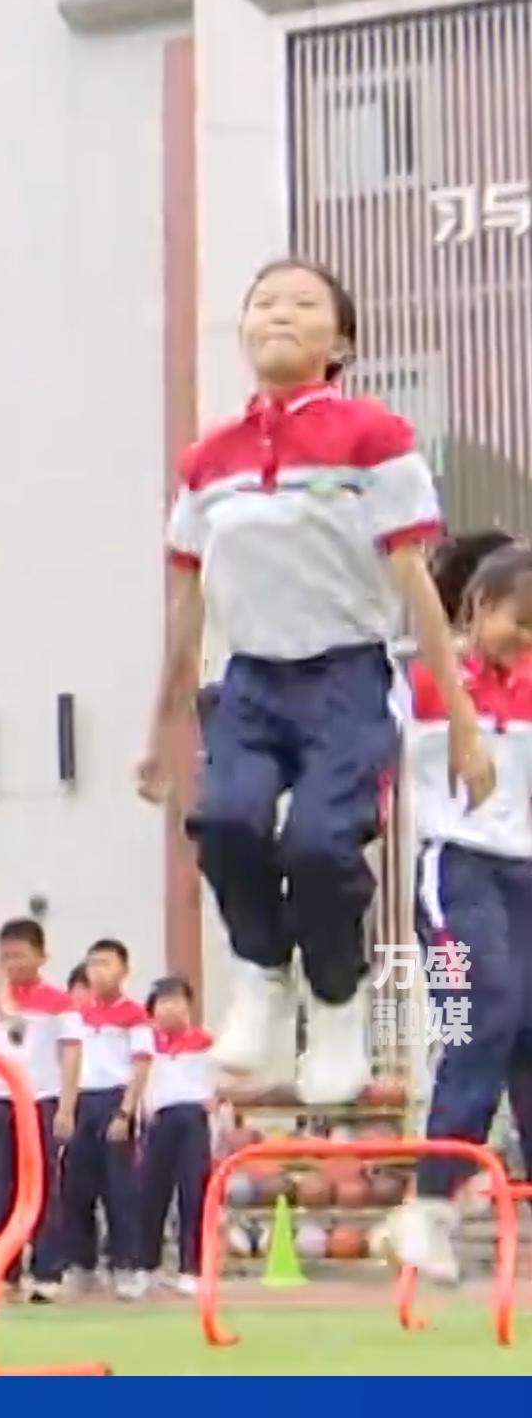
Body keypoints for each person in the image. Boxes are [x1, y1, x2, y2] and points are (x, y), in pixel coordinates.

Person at [138, 258, 494, 1109]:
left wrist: (463, 721)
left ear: (342, 342)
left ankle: (336, 1002)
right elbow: (187, 604)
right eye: (263, 302)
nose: (279, 314)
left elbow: (415, 584)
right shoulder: (208, 461)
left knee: (319, 846)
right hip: (251, 681)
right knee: (225, 821)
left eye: (303, 304)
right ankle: (263, 980)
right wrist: (160, 730)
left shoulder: (374, 436)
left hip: (346, 675)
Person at [385, 542, 532, 1280]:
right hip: (455, 870)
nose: (526, 640)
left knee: (522, 1032)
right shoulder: (422, 682)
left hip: (524, 875)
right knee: (484, 1006)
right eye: (518, 622)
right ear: (477, 607)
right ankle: (431, 1199)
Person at [0, 918, 82, 1302]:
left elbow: (71, 1053)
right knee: (0, 1188)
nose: (12, 963)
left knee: (44, 1188)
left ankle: (47, 1271)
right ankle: (5, 1271)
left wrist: (67, 1107)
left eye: (20, 955)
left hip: (41, 1101)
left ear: (41, 956)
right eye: (6, 956)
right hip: (0, 1101)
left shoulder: (60, 1003)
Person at [62, 938, 153, 1301]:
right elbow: (69, 1063)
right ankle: (82, 1264)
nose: (98, 971)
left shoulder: (134, 1014)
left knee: (120, 1190)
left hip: (115, 1100)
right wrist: (66, 1109)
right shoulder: (76, 1015)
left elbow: (140, 1065)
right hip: (83, 1100)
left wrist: (125, 1112)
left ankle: (125, 1265)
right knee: (77, 1188)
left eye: (106, 963)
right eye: (93, 964)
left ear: (124, 970)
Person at [138, 975, 215, 1298]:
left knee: (192, 1194)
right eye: (164, 1002)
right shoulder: (144, 1044)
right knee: (151, 1194)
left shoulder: (206, 1042)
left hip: (193, 1119)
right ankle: (147, 1266)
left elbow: (221, 1081)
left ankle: (190, 1268)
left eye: (178, 1001)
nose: (171, 1008)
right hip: (157, 1120)